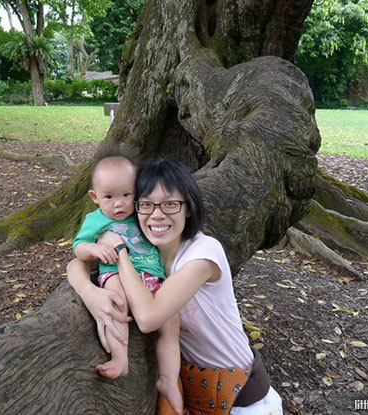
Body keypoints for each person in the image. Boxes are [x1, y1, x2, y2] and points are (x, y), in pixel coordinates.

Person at [68, 158, 283, 415]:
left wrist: (119, 250)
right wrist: (89, 292)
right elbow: (75, 263)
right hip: (195, 393)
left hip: (245, 401)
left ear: (188, 208)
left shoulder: (204, 254)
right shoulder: (149, 251)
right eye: (147, 204)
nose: (157, 214)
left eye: (170, 204)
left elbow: (148, 318)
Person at [72, 148, 184, 413]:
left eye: (126, 195)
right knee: (117, 303)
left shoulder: (142, 213)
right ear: (94, 197)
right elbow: (78, 248)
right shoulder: (95, 220)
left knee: (172, 320)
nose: (119, 204)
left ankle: (168, 379)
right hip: (116, 273)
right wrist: (94, 250)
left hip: (151, 277)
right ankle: (120, 358)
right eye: (109, 197)